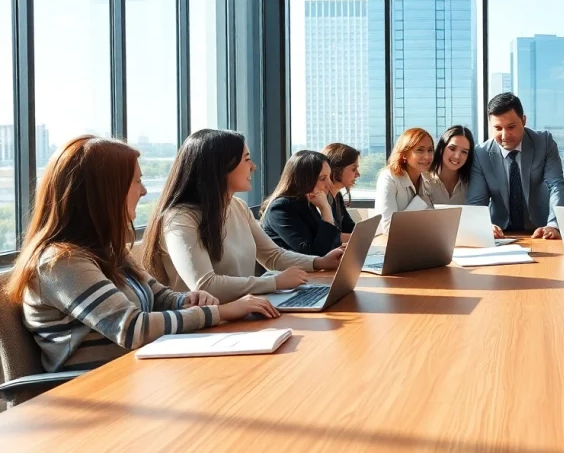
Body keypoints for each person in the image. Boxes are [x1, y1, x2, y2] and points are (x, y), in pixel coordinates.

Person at [6, 136, 279, 373]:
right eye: (137, 181)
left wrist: (187, 300)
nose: (144, 191)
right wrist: (220, 312)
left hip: (142, 375)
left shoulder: (108, 252)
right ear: (105, 193)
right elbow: (131, 328)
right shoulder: (61, 263)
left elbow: (159, 295)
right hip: (99, 392)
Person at [142, 130, 342, 302]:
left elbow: (273, 256)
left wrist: (319, 262)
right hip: (201, 328)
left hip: (242, 313)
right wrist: (273, 282)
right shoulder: (180, 218)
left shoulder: (237, 206)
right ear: (221, 167)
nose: (253, 166)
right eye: (247, 159)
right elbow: (204, 285)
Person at [467, 93, 564, 240]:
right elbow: (476, 202)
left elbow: (556, 185)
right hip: (500, 234)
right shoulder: (480, 154)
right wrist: (483, 225)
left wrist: (553, 225)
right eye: (497, 128)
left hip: (541, 231)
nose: (504, 135)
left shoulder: (544, 142)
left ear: (524, 120)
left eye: (511, 127)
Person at [261, 150, 342, 256]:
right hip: (290, 271)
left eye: (329, 177)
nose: (329, 184)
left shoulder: (307, 203)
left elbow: (329, 245)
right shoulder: (281, 208)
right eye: (322, 179)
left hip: (311, 271)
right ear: (304, 180)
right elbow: (312, 254)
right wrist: (325, 209)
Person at [374, 127, 434, 234]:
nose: (427, 156)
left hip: (417, 243)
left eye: (430, 150)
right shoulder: (388, 178)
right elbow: (388, 228)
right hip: (388, 247)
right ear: (404, 154)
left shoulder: (427, 181)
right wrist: (420, 201)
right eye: (419, 150)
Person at [424, 125, 475, 206]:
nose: (457, 156)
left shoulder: (471, 183)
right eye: (452, 148)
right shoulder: (423, 179)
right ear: (442, 147)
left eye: (464, 152)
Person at [322, 142, 360, 241]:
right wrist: (360, 238)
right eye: (354, 169)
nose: (358, 174)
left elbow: (350, 228)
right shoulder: (318, 200)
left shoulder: (337, 195)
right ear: (337, 168)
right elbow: (328, 239)